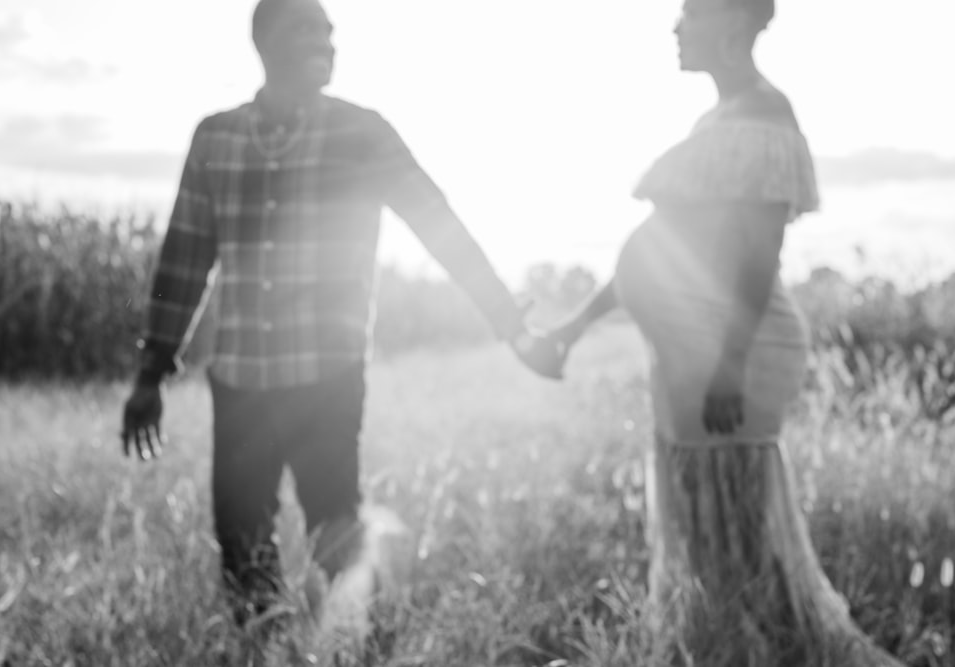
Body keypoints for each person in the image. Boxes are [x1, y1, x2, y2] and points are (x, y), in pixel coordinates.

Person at [119, 0, 562, 627]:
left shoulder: (363, 133)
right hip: (240, 379)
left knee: (335, 529)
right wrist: (150, 374)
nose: (326, 44)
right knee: (242, 540)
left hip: (326, 376)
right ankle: (264, 642)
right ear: (265, 41)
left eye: (331, 33)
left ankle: (350, 645)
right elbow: (184, 259)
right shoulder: (214, 138)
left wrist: (510, 324)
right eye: (307, 31)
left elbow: (441, 226)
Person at [545, 0, 903, 664]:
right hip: (691, 352)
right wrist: (572, 327)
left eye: (689, 14)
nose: (675, 29)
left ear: (732, 25)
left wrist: (729, 367)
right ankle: (724, 649)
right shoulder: (716, 121)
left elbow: (759, 253)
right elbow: (655, 248)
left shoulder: (767, 114)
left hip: (733, 353)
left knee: (733, 527)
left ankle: (759, 652)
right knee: (704, 522)